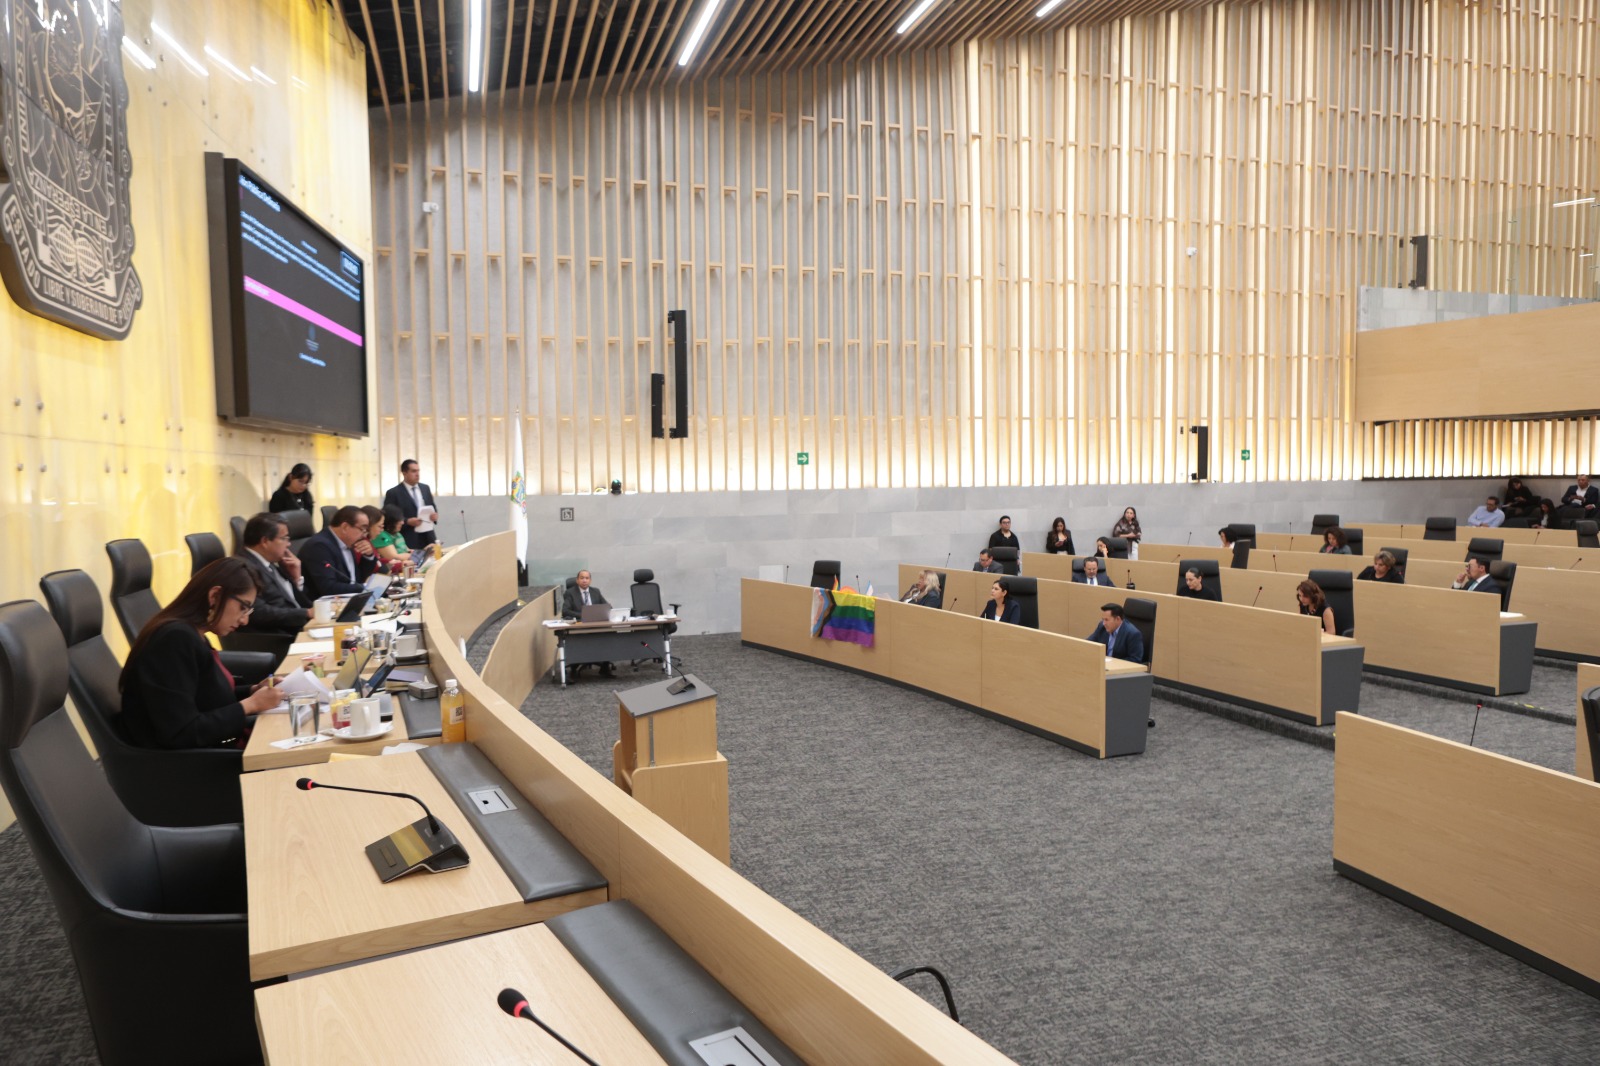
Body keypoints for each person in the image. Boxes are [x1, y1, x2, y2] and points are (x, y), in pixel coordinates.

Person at [119, 557, 281, 749]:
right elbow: (182, 732)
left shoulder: (191, 633)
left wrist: (252, 691)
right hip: (192, 761)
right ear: (215, 596)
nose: (244, 620)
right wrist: (251, 705)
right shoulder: (175, 639)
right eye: (242, 608)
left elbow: (203, 696)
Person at [237, 512, 314, 634]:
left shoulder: (270, 562)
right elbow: (258, 611)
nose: (289, 544)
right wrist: (306, 613)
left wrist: (296, 579)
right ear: (265, 541)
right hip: (280, 636)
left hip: (300, 627)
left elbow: (291, 600)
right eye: (284, 538)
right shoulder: (243, 568)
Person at [300, 505, 380, 598]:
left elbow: (356, 579)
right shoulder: (319, 546)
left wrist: (368, 556)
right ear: (345, 527)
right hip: (328, 604)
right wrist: (365, 587)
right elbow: (329, 588)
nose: (364, 535)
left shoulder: (347, 542)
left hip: (351, 600)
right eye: (362, 529)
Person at [384, 459, 440, 552]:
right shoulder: (393, 493)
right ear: (404, 473)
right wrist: (407, 521)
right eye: (414, 471)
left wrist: (434, 515)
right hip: (408, 536)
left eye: (418, 471)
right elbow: (389, 517)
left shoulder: (425, 488)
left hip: (428, 535)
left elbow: (432, 506)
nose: (417, 474)